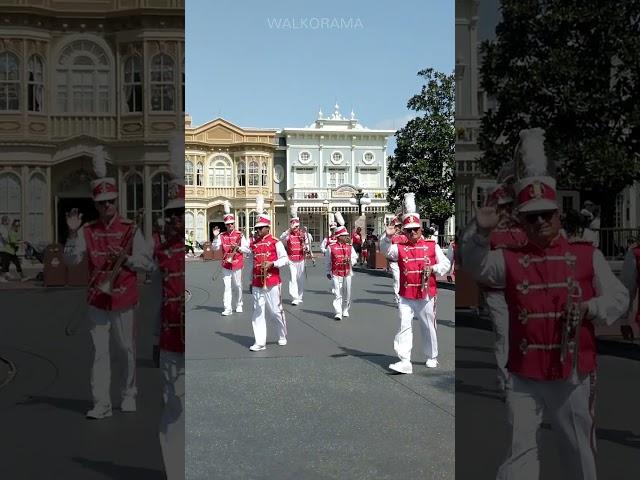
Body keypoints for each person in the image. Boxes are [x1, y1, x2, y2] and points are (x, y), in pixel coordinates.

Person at [461, 128, 628, 480]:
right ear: (521, 219)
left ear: (558, 215)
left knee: (576, 447)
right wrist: (479, 232)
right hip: (524, 373)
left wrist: (589, 308)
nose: (540, 221)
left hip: (571, 372)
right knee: (520, 447)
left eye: (547, 214)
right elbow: (474, 264)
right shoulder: (508, 259)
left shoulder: (586, 255)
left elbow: (619, 297)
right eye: (532, 216)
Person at [64, 146, 153, 419]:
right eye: (101, 203)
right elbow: (71, 261)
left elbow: (147, 263)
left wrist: (126, 259)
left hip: (124, 297)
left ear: (116, 201)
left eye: (110, 201)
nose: (106, 207)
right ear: (96, 203)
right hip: (97, 299)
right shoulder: (87, 230)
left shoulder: (130, 229)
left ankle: (129, 393)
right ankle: (101, 403)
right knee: (99, 353)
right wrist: (71, 233)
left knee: (126, 349)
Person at [380, 193, 451, 374]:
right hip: (406, 294)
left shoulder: (431, 245)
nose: (412, 233)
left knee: (428, 325)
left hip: (426, 294)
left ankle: (431, 355)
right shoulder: (400, 247)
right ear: (404, 231)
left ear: (421, 229)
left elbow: (445, 264)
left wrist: (434, 269)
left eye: (415, 229)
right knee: (404, 324)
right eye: (408, 230)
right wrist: (387, 237)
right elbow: (386, 251)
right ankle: (405, 360)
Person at [153, 164, 185, 480]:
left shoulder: (188, 252)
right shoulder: (159, 252)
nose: (178, 219)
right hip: (169, 342)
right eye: (173, 214)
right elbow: (156, 301)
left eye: (182, 213)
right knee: (172, 410)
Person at [239, 195, 289, 351]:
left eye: (260, 228)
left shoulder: (276, 242)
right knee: (258, 311)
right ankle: (260, 341)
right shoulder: (253, 243)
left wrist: (273, 263)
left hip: (273, 281)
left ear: (268, 227)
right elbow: (248, 256)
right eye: (256, 228)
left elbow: (285, 259)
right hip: (257, 282)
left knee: (275, 311)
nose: (258, 230)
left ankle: (282, 334)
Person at [212, 201, 248, 316]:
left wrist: (239, 248)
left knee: (238, 286)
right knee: (227, 287)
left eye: (231, 224)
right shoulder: (222, 235)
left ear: (234, 224)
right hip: (226, 265)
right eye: (228, 224)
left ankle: (239, 304)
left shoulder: (240, 235)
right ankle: (227, 308)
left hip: (237, 263)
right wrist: (216, 236)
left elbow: (247, 249)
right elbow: (215, 248)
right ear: (225, 225)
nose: (230, 226)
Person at [325, 212, 358, 320]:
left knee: (347, 292)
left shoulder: (349, 247)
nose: (347, 237)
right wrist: (327, 272)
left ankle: (345, 309)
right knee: (337, 293)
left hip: (348, 272)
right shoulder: (331, 247)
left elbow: (354, 257)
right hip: (335, 272)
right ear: (339, 237)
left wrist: (350, 261)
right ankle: (338, 312)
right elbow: (328, 261)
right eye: (344, 235)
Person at [280, 207, 307, 305]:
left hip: (301, 259)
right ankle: (294, 297)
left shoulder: (302, 235)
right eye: (295, 227)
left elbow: (307, 244)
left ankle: (300, 296)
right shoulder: (288, 235)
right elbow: (281, 237)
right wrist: (288, 230)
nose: (296, 228)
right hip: (291, 259)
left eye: (297, 226)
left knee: (300, 278)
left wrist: (305, 247)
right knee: (293, 278)